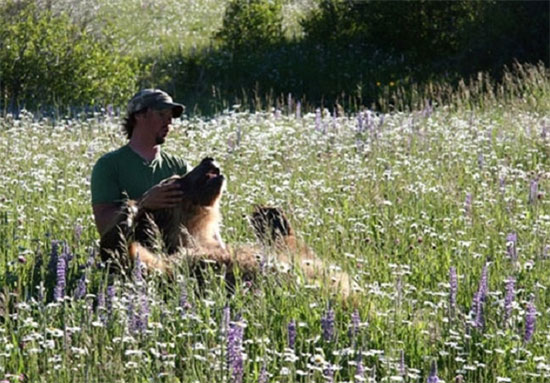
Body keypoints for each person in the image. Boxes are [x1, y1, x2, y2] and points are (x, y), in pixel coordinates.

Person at [91, 89, 188, 236]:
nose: (169, 122)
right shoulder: (109, 166)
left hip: (175, 254)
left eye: (170, 117)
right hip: (130, 254)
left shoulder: (178, 166)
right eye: (161, 114)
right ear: (139, 115)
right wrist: (143, 203)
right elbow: (104, 225)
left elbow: (200, 218)